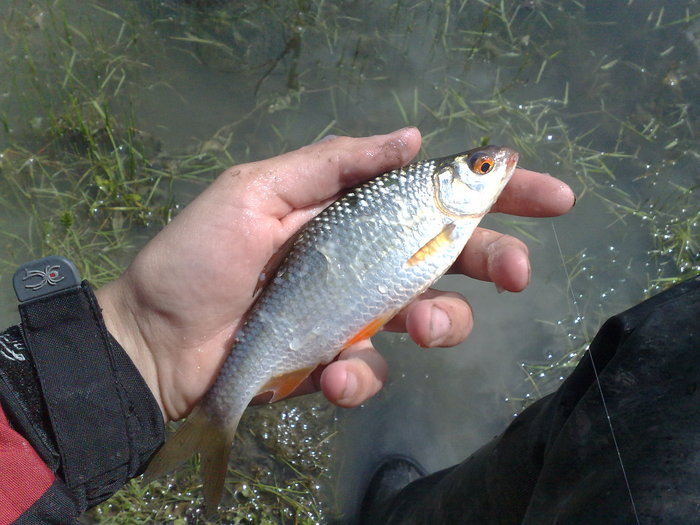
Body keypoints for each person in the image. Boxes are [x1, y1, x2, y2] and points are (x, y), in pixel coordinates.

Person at [0, 127, 577, 523]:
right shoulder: (430, 207)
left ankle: (208, 423)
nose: (495, 166)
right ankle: (212, 423)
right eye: (480, 166)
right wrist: (140, 341)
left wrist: (135, 345)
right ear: (450, 180)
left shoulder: (440, 214)